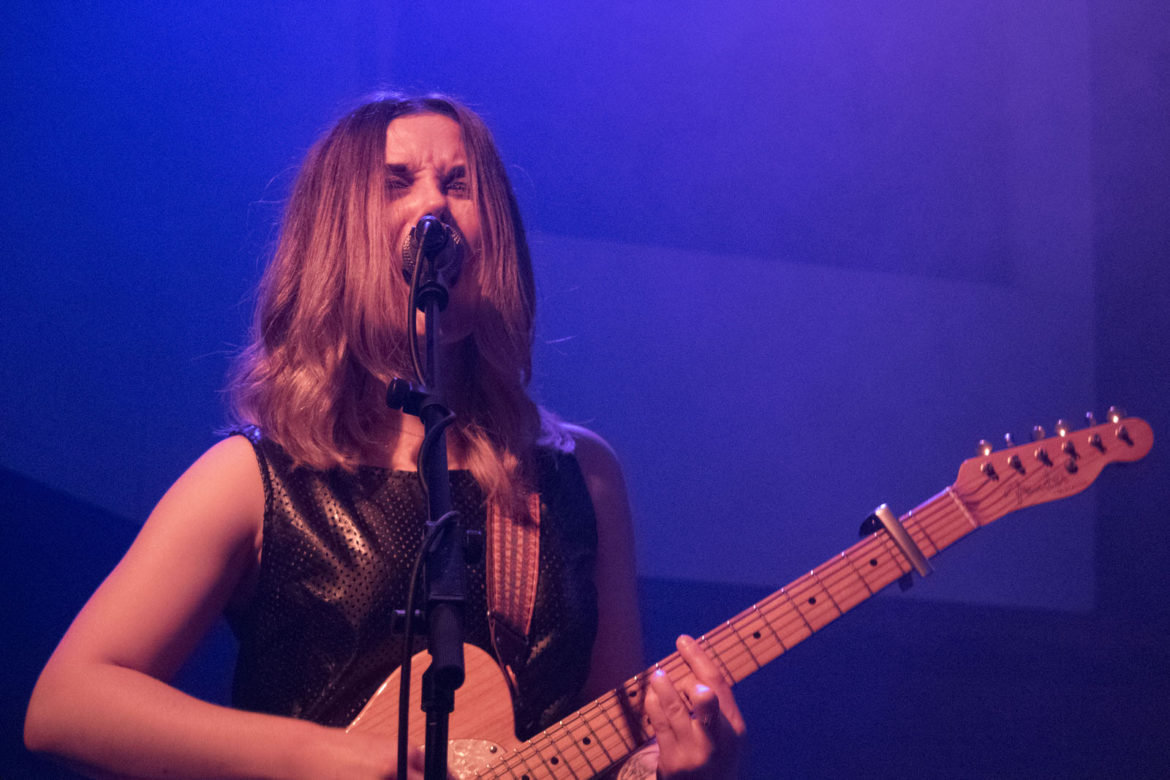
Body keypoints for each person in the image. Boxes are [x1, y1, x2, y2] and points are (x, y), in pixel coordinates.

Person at [24, 92, 746, 779]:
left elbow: (608, 741)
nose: (433, 202)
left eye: (459, 184)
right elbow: (68, 703)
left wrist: (680, 769)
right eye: (397, 182)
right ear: (338, 237)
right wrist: (316, 758)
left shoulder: (578, 474)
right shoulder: (256, 477)